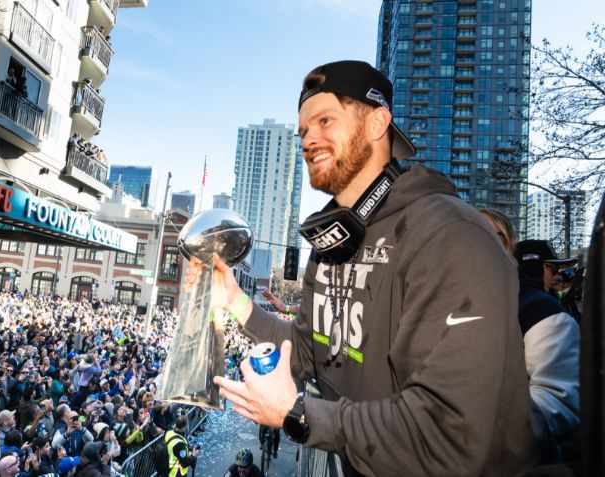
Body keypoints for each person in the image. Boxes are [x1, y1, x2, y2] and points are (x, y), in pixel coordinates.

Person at [188, 60, 536, 475]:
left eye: (325, 120)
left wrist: (299, 414)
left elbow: (446, 434)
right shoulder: (332, 240)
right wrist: (236, 301)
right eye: (303, 131)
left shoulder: (452, 237)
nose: (308, 140)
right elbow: (305, 352)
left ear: (378, 122)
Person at [513, 240, 581, 463]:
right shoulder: (546, 312)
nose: (557, 277)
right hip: (529, 455)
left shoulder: (496, 301)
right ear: (540, 268)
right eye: (552, 269)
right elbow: (559, 400)